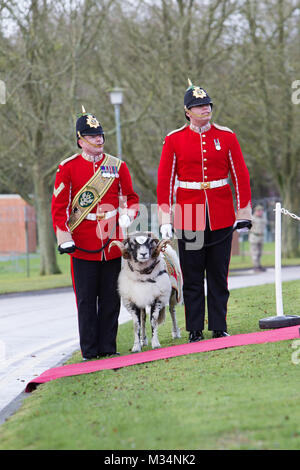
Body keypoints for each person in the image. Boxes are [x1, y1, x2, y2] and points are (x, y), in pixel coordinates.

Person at [157, 80, 252, 342]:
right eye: (199, 106)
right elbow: (165, 181)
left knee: (219, 275)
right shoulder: (174, 139)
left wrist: (243, 214)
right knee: (194, 274)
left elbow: (240, 176)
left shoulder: (226, 136)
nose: (205, 109)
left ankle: (219, 326)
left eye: (207, 105)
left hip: (220, 212)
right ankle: (195, 328)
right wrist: (166, 218)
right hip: (188, 213)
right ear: (188, 111)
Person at [51, 107, 139, 360]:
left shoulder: (117, 166)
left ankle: (108, 348)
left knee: (111, 300)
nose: (99, 139)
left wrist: (127, 215)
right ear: (81, 141)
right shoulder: (67, 167)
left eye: (100, 135)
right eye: (93, 136)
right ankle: (89, 351)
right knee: (87, 301)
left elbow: (131, 198)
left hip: (112, 239)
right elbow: (59, 208)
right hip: (82, 241)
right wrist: (65, 238)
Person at [249, 205, 266, 272]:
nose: (260, 212)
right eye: (259, 211)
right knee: (255, 252)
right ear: (256, 211)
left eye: (261, 211)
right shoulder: (252, 218)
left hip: (261, 237)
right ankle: (255, 266)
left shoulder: (263, 218)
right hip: (254, 236)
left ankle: (259, 265)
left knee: (260, 252)